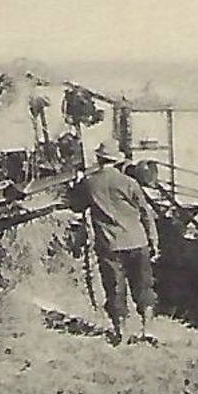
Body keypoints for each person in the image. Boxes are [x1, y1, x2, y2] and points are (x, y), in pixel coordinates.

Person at [67, 141, 160, 345]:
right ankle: (148, 330)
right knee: (143, 286)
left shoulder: (90, 183)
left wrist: (76, 185)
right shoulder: (129, 182)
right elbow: (146, 213)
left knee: (115, 289)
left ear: (99, 159)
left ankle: (122, 332)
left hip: (110, 245)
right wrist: (153, 240)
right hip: (137, 241)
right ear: (117, 160)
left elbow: (76, 206)